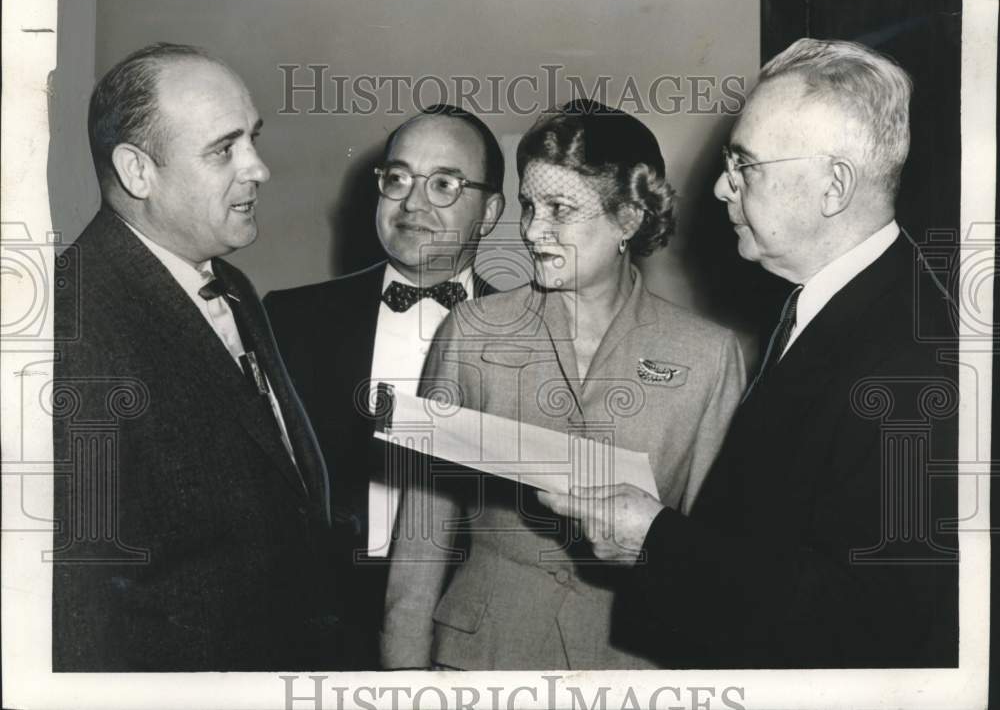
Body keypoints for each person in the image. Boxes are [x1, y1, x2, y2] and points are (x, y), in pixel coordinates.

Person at [538, 39, 960, 668]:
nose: (717, 188)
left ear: (833, 185)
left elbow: (871, 623)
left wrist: (653, 539)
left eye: (745, 166)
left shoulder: (911, 355)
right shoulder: (838, 307)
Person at [381, 100, 746, 670]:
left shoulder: (707, 354)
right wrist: (403, 677)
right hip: (482, 655)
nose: (532, 230)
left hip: (634, 664)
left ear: (627, 218)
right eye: (529, 206)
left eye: (560, 208)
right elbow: (423, 531)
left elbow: (710, 553)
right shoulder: (473, 330)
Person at [51, 43, 338, 671]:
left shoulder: (233, 287)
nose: (259, 168)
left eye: (253, 140)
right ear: (137, 171)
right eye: (223, 149)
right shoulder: (67, 322)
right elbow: (77, 604)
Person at [264, 104, 505, 668]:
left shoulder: (537, 338)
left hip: (470, 626)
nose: (413, 203)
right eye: (398, 178)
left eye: (444, 183)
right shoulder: (290, 321)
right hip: (320, 624)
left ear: (490, 212)